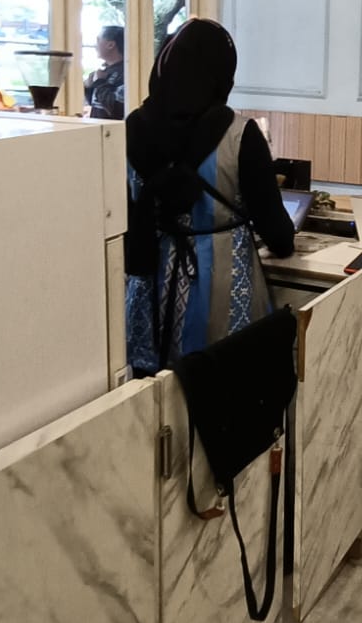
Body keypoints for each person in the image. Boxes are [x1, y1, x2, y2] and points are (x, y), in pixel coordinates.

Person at [123, 18, 294, 375]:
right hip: (220, 292)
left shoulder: (132, 128)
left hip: (148, 289)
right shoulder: (239, 134)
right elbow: (277, 233)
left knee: (150, 398)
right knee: (218, 389)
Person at [85, 24, 126, 120]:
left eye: (98, 40)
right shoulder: (105, 71)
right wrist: (89, 88)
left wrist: (100, 83)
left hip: (113, 129)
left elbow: (115, 108)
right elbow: (97, 104)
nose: (95, 45)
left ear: (110, 45)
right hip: (98, 127)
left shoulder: (126, 72)